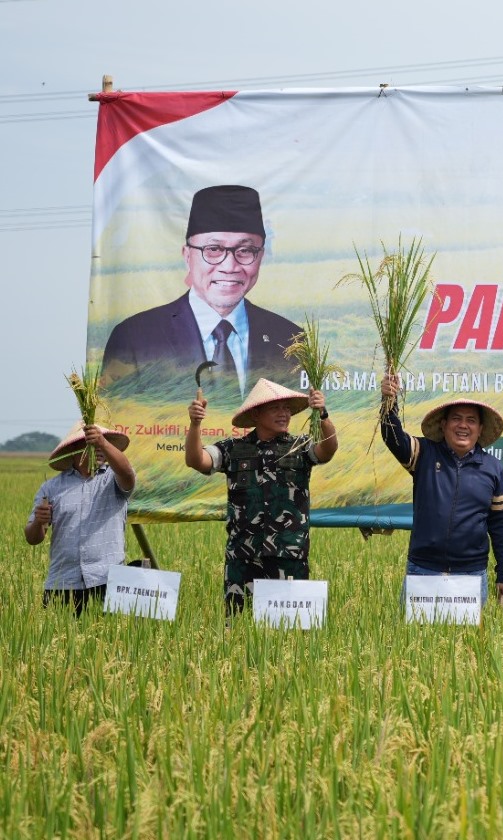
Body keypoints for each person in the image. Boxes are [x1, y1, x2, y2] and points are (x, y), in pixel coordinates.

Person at [103, 185, 301, 402]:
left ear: (260, 256)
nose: (230, 266)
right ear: (187, 256)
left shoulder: (291, 341)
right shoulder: (135, 339)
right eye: (213, 250)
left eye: (245, 251)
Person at [185, 378, 338, 614]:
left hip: (289, 554)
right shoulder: (233, 449)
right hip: (243, 557)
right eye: (275, 408)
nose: (283, 413)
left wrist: (323, 415)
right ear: (256, 414)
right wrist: (195, 425)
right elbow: (197, 460)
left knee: (291, 629)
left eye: (287, 408)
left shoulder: (300, 446)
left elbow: (328, 449)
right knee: (237, 628)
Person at [380, 374, 503, 604]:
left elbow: (500, 526)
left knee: (468, 640)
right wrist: (388, 401)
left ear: (480, 429)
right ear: (443, 425)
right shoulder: (424, 453)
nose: (463, 425)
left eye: (471, 420)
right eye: (456, 419)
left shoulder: (493, 468)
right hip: (423, 570)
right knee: (415, 639)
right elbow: (392, 437)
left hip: (471, 574)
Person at [24, 423, 136, 617]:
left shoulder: (113, 480)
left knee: (109, 642)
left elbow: (127, 473)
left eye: (105, 444)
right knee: (56, 642)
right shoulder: (51, 488)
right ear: (74, 449)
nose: (100, 449)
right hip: (63, 582)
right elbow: (33, 538)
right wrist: (38, 522)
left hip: (107, 580)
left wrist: (101, 441)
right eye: (93, 444)